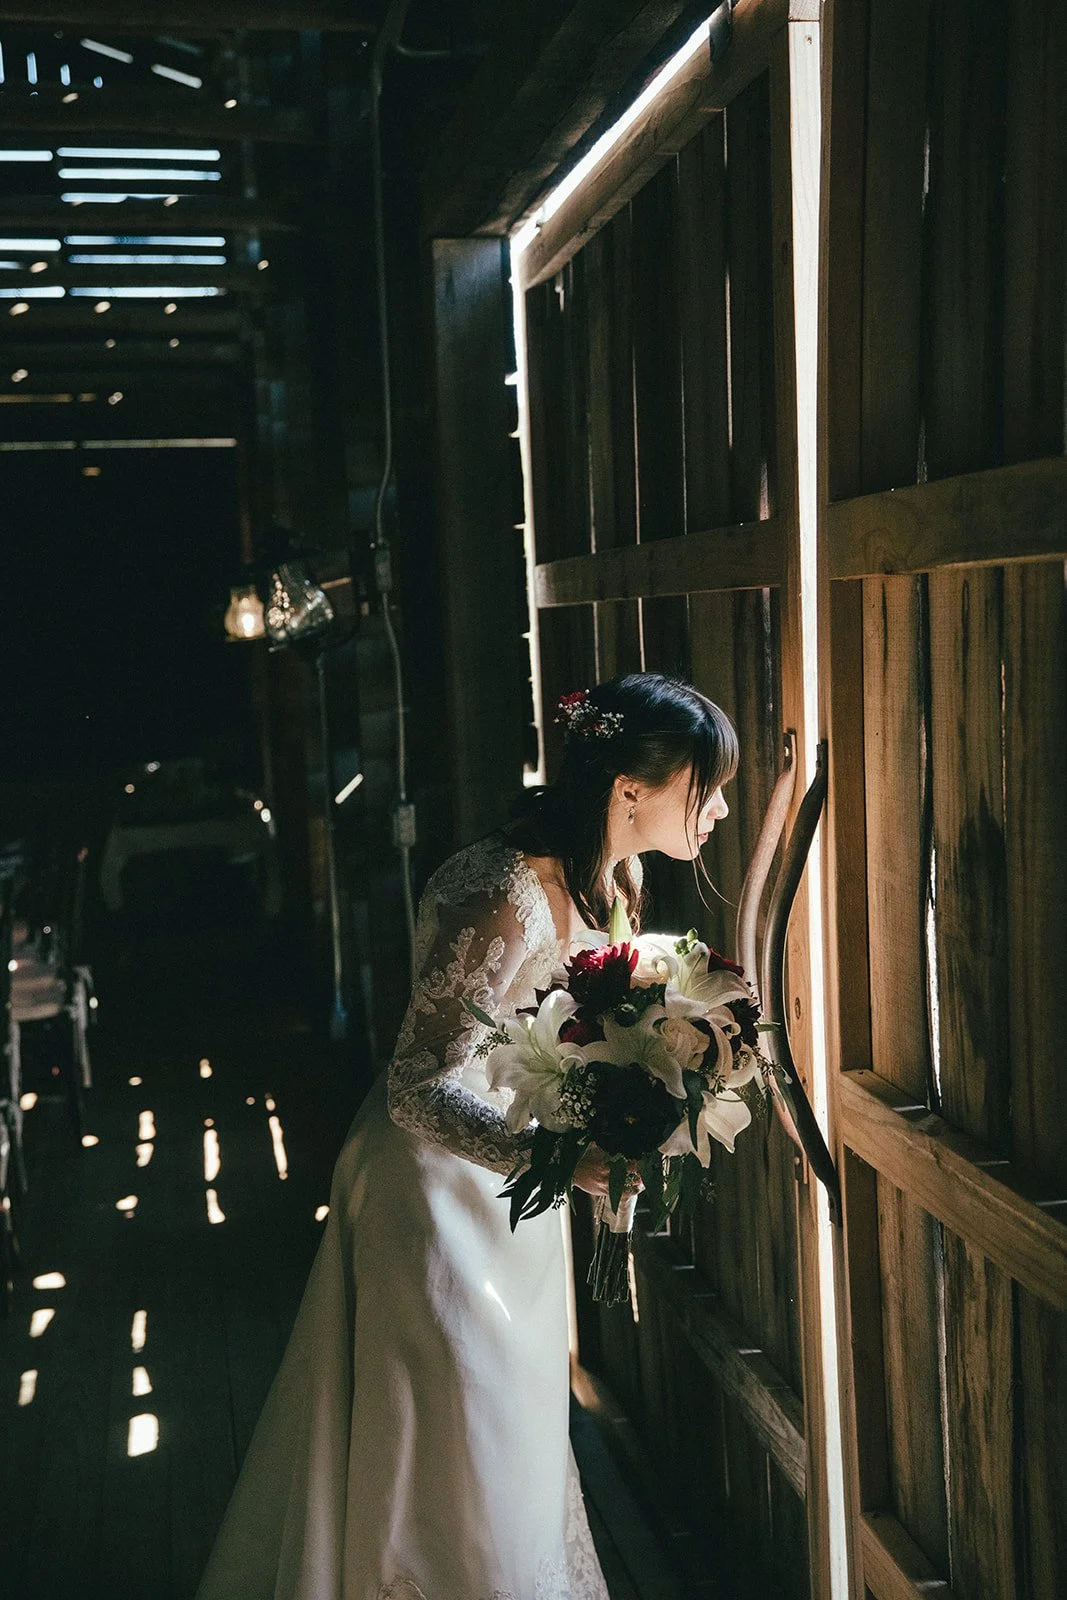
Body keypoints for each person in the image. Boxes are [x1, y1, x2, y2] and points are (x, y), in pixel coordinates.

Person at [194, 672, 738, 1600]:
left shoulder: (619, 877)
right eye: (708, 786)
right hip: (432, 1196)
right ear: (631, 789)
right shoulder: (498, 891)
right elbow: (415, 1087)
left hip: (519, 1199)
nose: (722, 809)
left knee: (514, 1444)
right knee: (452, 1455)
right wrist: (563, 1158)